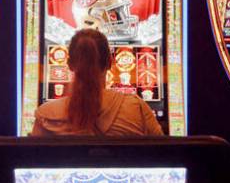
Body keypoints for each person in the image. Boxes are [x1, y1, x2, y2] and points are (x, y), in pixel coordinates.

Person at [32, 28, 163, 136]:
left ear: (70, 64)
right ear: (110, 62)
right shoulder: (136, 109)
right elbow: (164, 155)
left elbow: (32, 161)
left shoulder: (46, 115)